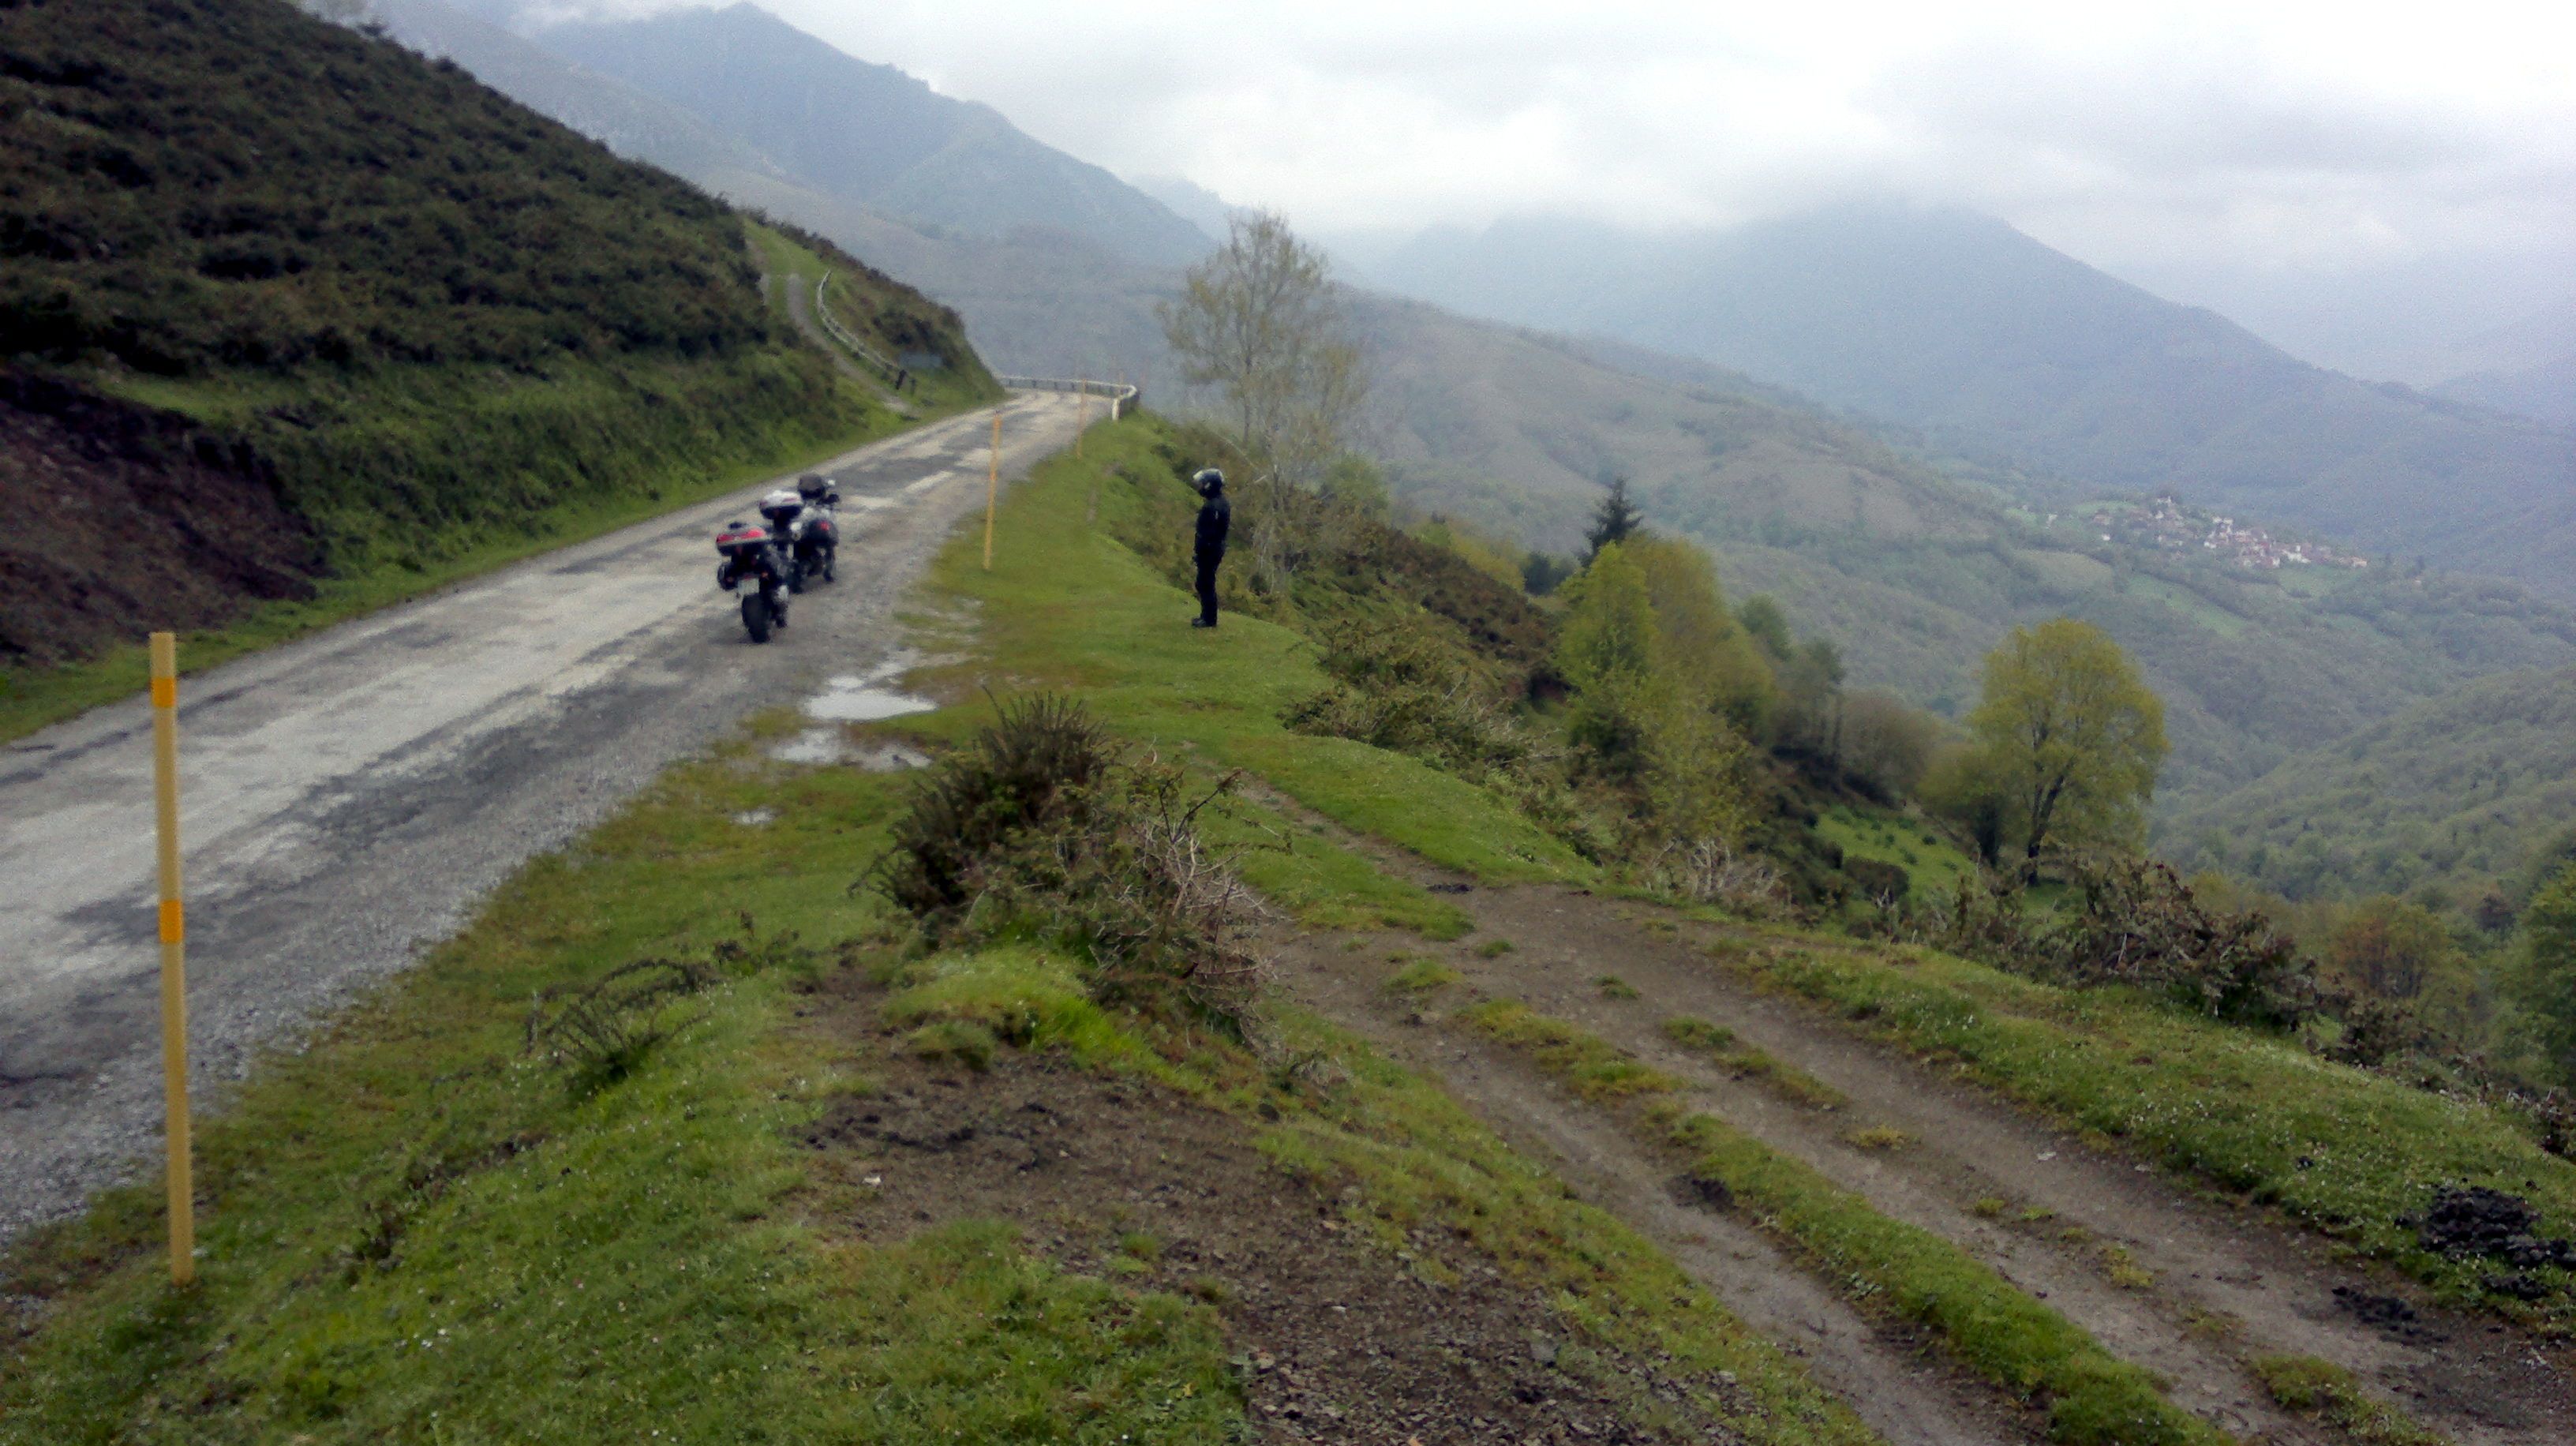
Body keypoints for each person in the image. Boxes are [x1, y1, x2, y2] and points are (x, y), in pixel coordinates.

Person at [1189, 468, 1230, 627]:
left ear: (1209, 486)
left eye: (1203, 484)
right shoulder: (1220, 503)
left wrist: (1202, 550)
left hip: (1210, 550)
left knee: (1205, 583)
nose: (1200, 487)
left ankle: (1209, 619)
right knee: (1204, 582)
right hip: (1212, 549)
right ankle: (1206, 617)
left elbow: (1210, 532)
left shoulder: (1213, 506)